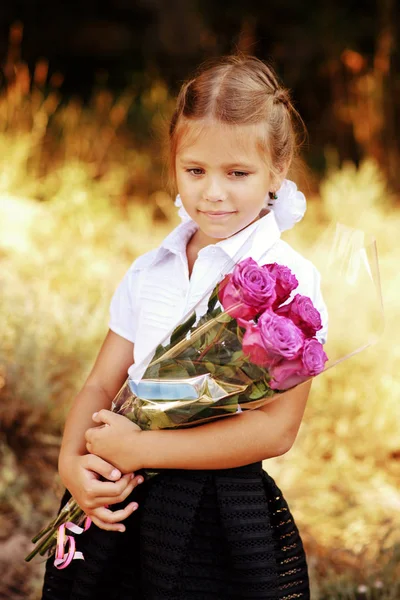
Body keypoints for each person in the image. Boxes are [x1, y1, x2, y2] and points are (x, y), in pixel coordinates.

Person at [41, 53, 328, 599]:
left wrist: (144, 450)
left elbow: (275, 429)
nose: (212, 192)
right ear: (173, 163)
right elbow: (103, 383)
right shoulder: (151, 269)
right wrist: (72, 464)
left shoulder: (290, 283)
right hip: (121, 497)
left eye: (237, 174)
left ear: (277, 172)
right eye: (194, 170)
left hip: (218, 510)